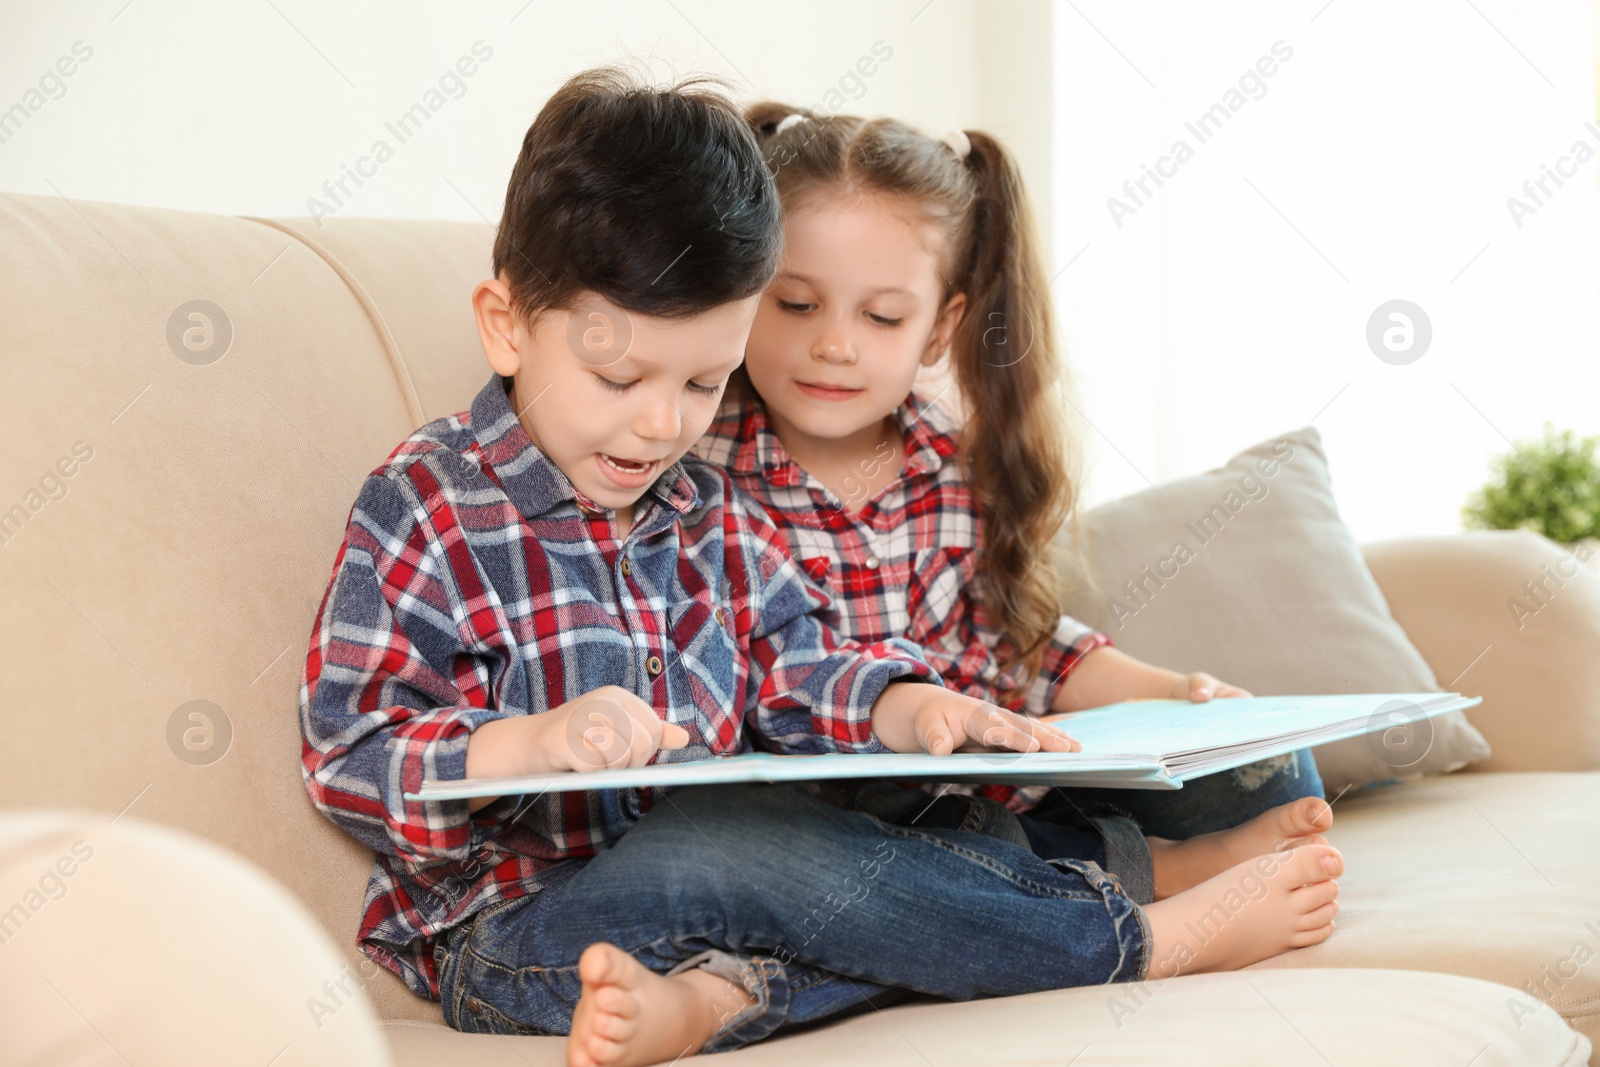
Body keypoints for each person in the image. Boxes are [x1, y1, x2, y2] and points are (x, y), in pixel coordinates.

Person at [300, 68, 1343, 1067]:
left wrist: (907, 706)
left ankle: (719, 1001)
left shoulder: (701, 507)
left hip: (747, 888)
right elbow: (351, 749)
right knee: (733, 842)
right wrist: (528, 742)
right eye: (619, 375)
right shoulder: (428, 500)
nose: (662, 424)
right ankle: (1132, 939)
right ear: (507, 325)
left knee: (857, 826)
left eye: (705, 381)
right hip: (521, 928)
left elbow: (799, 662)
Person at [690, 104, 1326, 849]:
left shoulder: (957, 466)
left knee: (1271, 767)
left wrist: (1176, 693)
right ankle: (1123, 881)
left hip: (986, 797)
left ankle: (1094, 875)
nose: (834, 344)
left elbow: (1023, 649)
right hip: (824, 824)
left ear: (940, 329)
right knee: (828, 841)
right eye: (796, 304)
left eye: (883, 317)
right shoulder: (693, 473)